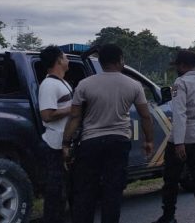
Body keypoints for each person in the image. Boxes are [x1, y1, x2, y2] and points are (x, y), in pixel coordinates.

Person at [62, 44, 154, 223]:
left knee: (85, 191)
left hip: (90, 143)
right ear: (120, 60)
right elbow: (146, 116)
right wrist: (148, 140)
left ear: (102, 62)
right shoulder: (134, 85)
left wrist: (65, 144)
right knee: (112, 192)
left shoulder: (85, 84)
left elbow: (74, 117)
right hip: (118, 143)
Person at [152, 50, 195, 223]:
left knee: (171, 180)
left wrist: (179, 142)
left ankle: (169, 216)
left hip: (180, 140)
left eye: (177, 66)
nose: (176, 69)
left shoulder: (180, 83)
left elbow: (179, 114)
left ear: (182, 65)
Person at [38, 46, 72, 223]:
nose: (68, 60)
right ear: (59, 60)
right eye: (65, 57)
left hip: (63, 143)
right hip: (54, 145)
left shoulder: (62, 82)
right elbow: (47, 115)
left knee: (63, 190)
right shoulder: (49, 85)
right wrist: (73, 109)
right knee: (55, 192)